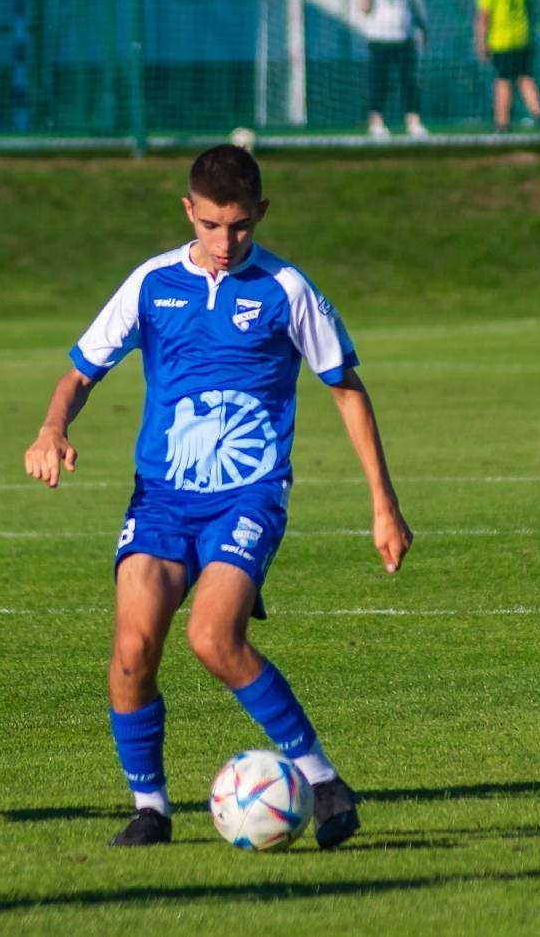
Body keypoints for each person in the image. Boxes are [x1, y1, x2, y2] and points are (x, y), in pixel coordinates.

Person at [24, 145, 412, 848]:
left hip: (249, 496)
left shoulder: (287, 289)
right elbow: (80, 372)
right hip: (163, 499)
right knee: (133, 648)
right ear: (188, 212)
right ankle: (150, 809)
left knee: (211, 637)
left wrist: (383, 504)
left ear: (260, 214)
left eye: (239, 226)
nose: (225, 242)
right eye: (210, 225)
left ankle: (322, 781)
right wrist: (52, 429)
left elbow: (347, 390)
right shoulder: (152, 284)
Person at [351, 0, 428, 139]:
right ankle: (376, 122)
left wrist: (423, 27)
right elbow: (364, 8)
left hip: (404, 38)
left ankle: (413, 122)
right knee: (379, 82)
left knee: (409, 81)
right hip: (379, 39)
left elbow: (414, 5)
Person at [474, 0, 540, 133]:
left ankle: (502, 122)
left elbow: (483, 17)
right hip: (522, 38)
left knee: (503, 79)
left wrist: (481, 43)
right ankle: (539, 115)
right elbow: (530, 10)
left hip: (501, 41)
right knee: (525, 77)